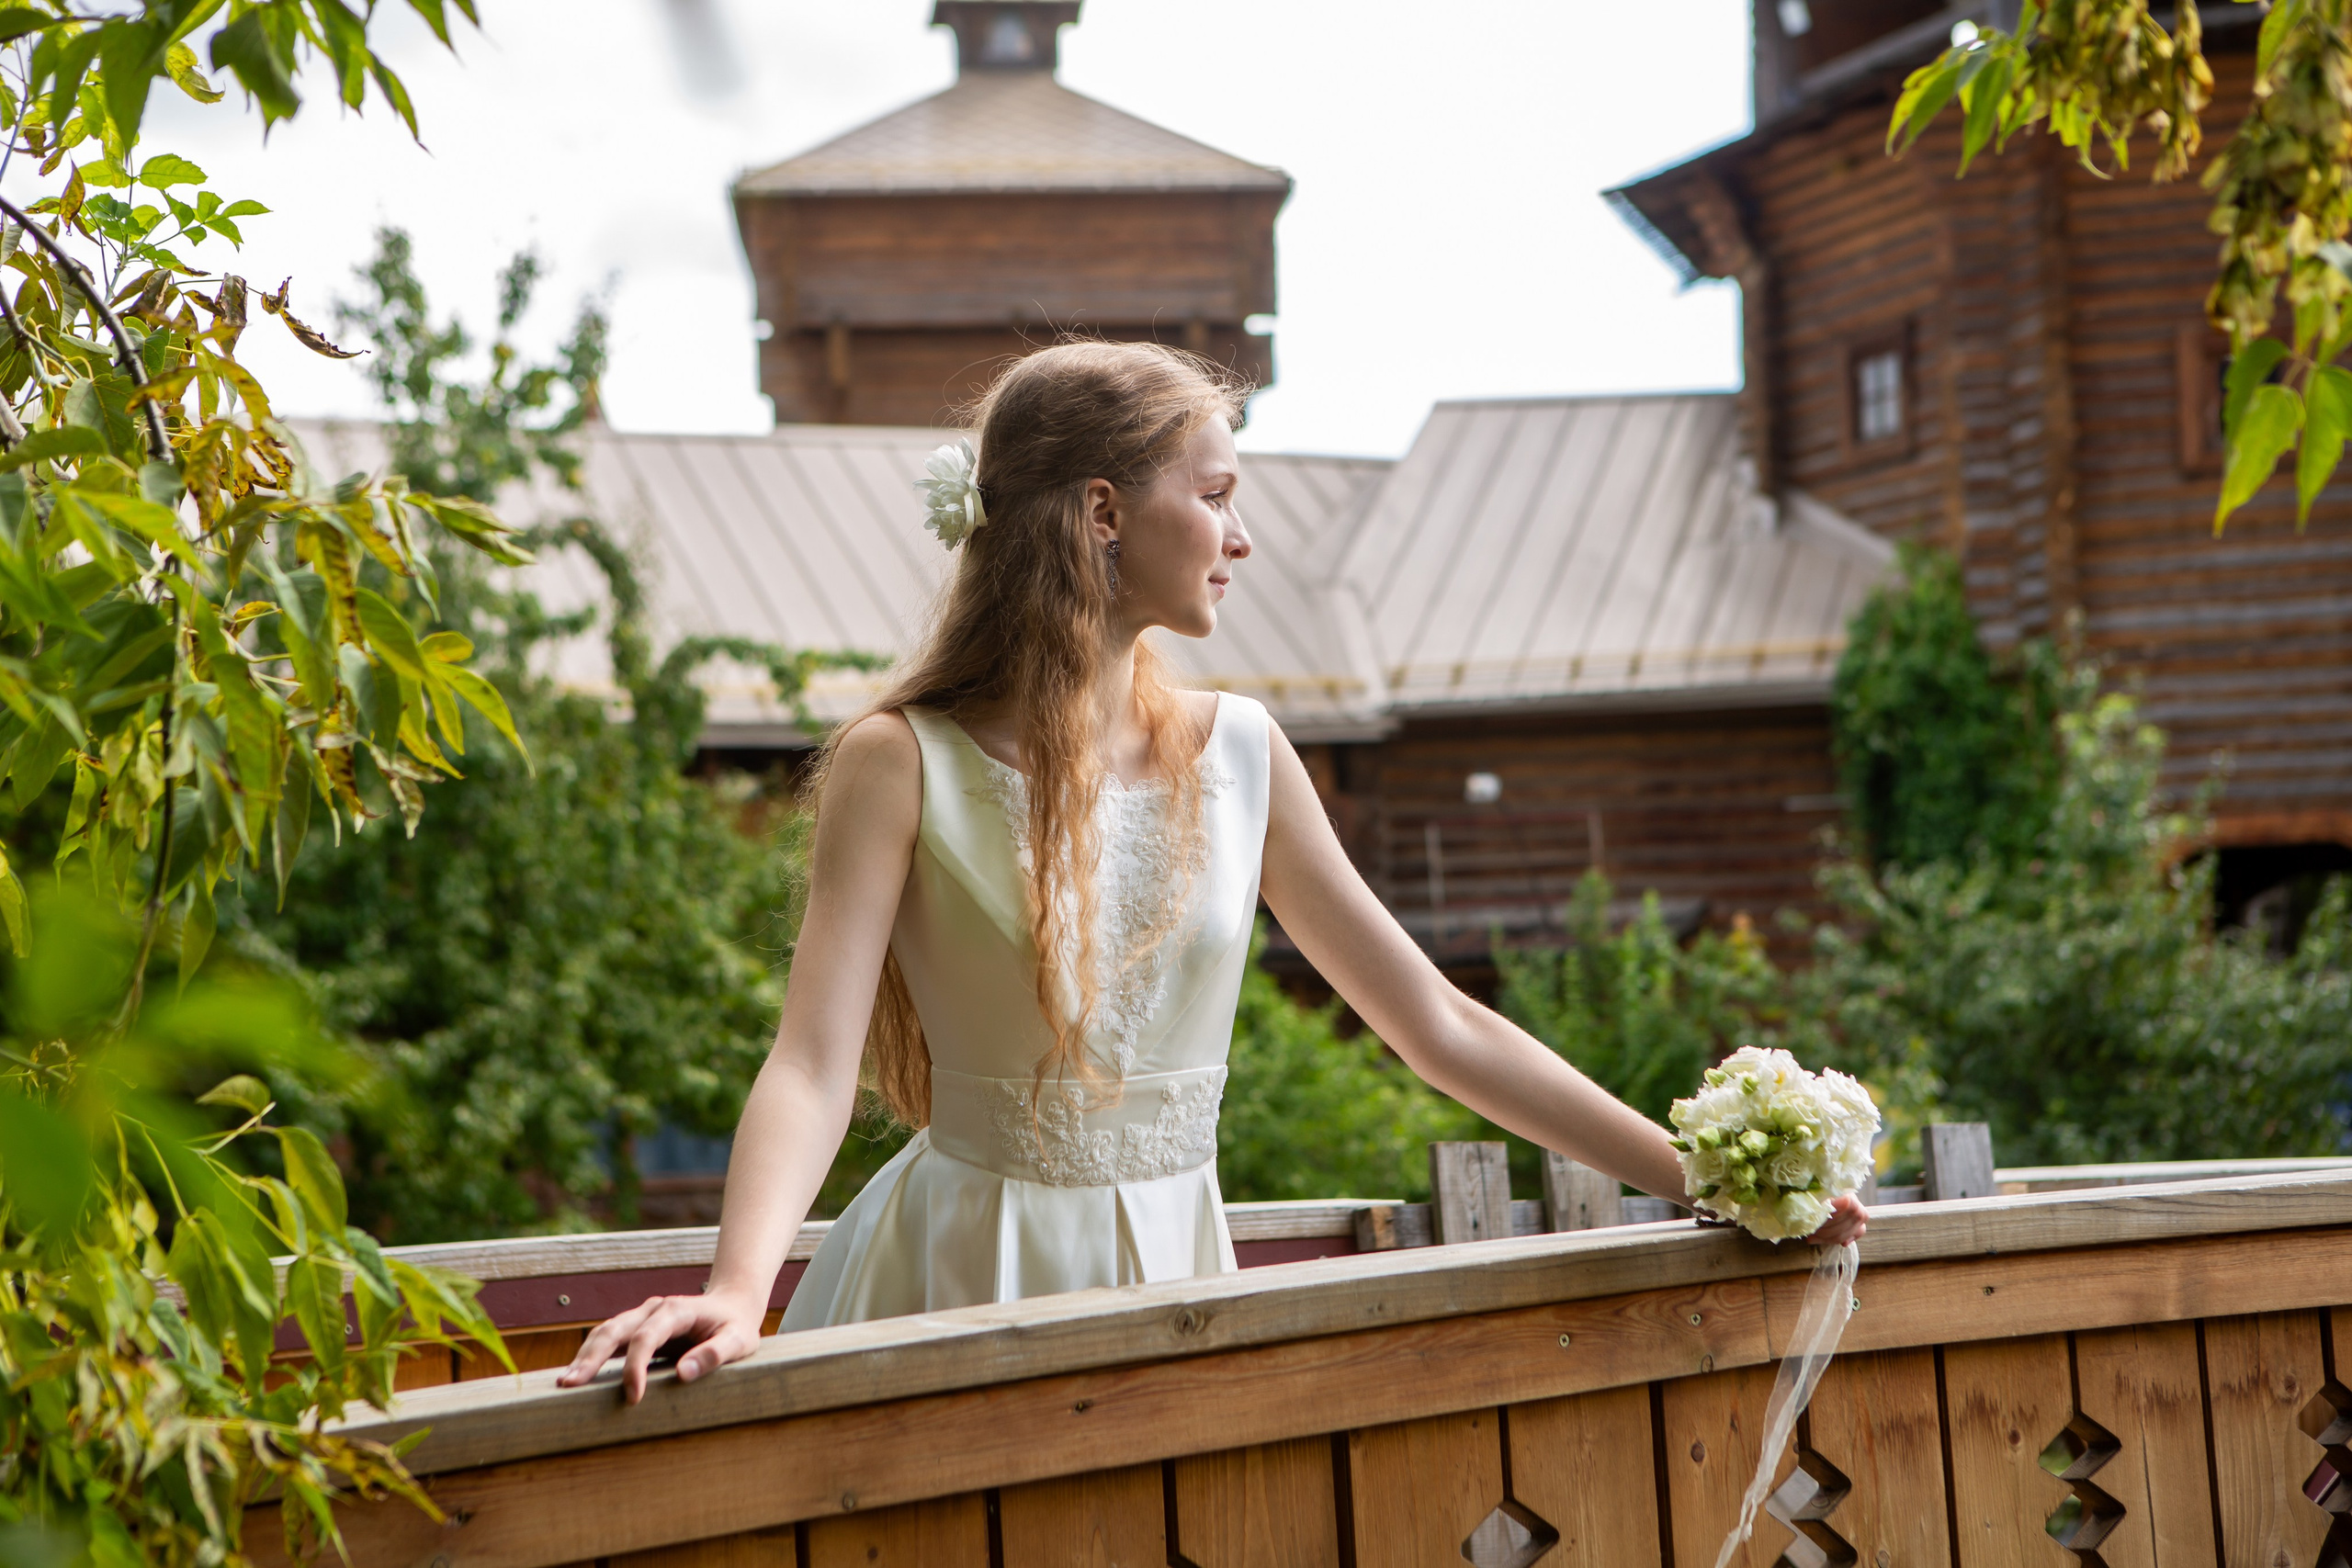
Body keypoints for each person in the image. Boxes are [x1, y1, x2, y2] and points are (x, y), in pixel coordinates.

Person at [559, 342, 1868, 1403]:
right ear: (1106, 514)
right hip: (954, 1272)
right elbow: (810, 1060)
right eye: (1220, 494)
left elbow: (1439, 1022)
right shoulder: (897, 762)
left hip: (1180, 1269)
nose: (1242, 539)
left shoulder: (1245, 751)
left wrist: (1702, 1182)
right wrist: (739, 1287)